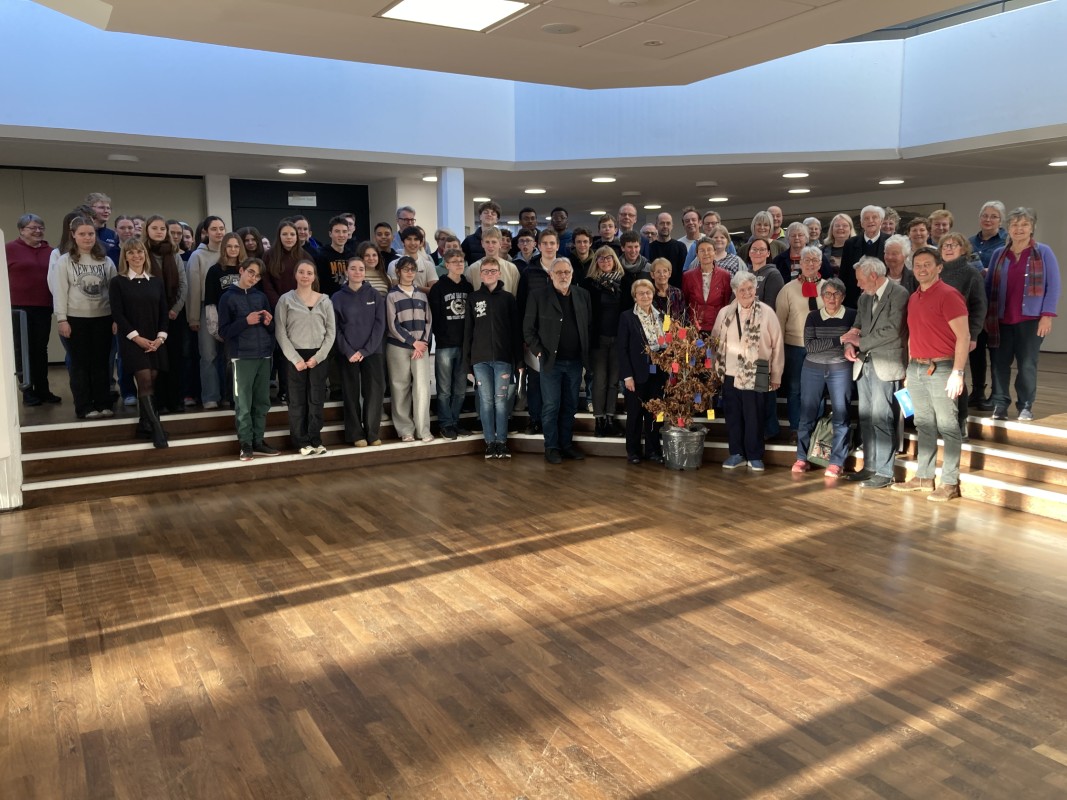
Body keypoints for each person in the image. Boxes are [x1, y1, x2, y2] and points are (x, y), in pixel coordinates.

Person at [889, 247, 969, 501]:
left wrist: (958, 372)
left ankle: (950, 482)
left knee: (948, 425)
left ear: (939, 267)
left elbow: (964, 336)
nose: (922, 269)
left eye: (927, 264)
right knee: (923, 424)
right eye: (918, 265)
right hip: (917, 368)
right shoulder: (914, 298)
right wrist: (909, 370)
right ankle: (924, 477)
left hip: (942, 368)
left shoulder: (949, 295)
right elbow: (912, 335)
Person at [984, 207, 1061, 422]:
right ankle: (1000, 404)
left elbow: (1053, 286)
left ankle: (1025, 405)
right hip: (1000, 320)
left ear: (1032, 227)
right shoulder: (999, 254)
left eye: (1025, 224)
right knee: (999, 364)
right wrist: (986, 316)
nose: (1019, 229)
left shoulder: (1044, 252)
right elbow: (988, 286)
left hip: (1031, 320)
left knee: (1027, 365)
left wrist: (1047, 315)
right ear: (1008, 228)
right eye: (1015, 225)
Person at [841, 256, 909, 488]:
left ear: (873, 276)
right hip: (863, 365)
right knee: (866, 419)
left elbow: (893, 330)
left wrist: (861, 343)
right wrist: (849, 344)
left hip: (886, 365)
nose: (858, 284)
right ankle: (869, 467)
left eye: (860, 279)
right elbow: (857, 326)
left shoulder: (899, 294)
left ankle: (885, 472)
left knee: (883, 418)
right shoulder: (864, 298)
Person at [710, 271, 784, 472]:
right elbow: (715, 342)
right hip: (730, 371)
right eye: (742, 289)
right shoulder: (724, 312)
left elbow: (777, 345)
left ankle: (755, 455)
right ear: (735, 291)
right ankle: (736, 453)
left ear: (755, 288)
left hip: (758, 371)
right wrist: (714, 369)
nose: (746, 292)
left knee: (755, 415)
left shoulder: (767, 312)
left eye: (750, 288)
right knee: (733, 415)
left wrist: (776, 374)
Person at [523, 258, 591, 464]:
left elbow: (588, 325)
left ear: (572, 274)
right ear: (550, 275)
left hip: (575, 362)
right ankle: (551, 447)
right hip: (551, 362)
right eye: (559, 272)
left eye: (567, 272)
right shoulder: (538, 296)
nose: (563, 276)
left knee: (570, 406)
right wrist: (538, 352)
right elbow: (528, 329)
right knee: (551, 406)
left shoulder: (582, 295)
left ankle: (566, 445)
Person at [790, 278, 857, 478]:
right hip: (812, 369)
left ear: (843, 296)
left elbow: (854, 340)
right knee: (807, 414)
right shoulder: (813, 316)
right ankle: (802, 458)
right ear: (822, 297)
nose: (832, 298)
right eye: (827, 294)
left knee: (841, 415)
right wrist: (840, 339)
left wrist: (845, 342)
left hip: (841, 369)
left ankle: (836, 462)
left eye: (836, 294)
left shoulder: (852, 315)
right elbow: (810, 347)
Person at [53, 216, 117, 419]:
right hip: (76, 319)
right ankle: (84, 406)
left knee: (101, 363)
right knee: (80, 364)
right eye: (82, 234)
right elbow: (60, 291)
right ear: (73, 235)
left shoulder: (105, 260)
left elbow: (114, 291)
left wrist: (116, 318)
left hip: (103, 318)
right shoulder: (64, 261)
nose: (87, 237)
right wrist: (62, 319)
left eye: (91, 233)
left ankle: (103, 403)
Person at [108, 239, 170, 448]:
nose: (136, 256)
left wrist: (160, 338)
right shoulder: (118, 282)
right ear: (125, 257)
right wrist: (137, 338)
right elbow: (118, 314)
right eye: (131, 252)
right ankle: (157, 429)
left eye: (140, 252)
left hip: (155, 340)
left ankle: (144, 425)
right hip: (132, 340)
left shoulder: (156, 281)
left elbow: (164, 312)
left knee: (152, 379)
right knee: (144, 380)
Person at [218, 258, 278, 461]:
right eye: (251, 272)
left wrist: (269, 323)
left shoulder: (261, 296)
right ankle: (246, 444)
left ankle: (258, 441)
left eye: (258, 276)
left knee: (262, 402)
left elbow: (271, 328)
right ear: (241, 270)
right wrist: (245, 321)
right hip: (242, 357)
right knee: (243, 404)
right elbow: (223, 332)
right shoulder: (227, 298)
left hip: (264, 355)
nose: (254, 278)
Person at [464, 256, 523, 458]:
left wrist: (519, 360)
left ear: (499, 273)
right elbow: (468, 332)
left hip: (503, 359)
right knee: (486, 402)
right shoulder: (473, 298)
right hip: (479, 360)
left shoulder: (508, 299)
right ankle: (490, 442)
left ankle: (502, 442)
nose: (489, 274)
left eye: (493, 271)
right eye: (486, 271)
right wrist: (467, 364)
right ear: (480, 274)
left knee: (501, 402)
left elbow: (516, 332)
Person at [275, 259, 335, 455]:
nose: (305, 276)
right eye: (301, 272)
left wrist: (319, 357)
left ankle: (315, 439)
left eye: (309, 273)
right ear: (295, 275)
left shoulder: (325, 301)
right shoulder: (285, 300)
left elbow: (331, 332)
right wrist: (295, 359)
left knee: (316, 399)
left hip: (318, 356)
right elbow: (280, 332)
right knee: (297, 400)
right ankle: (301, 442)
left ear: (314, 276)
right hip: (295, 356)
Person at [7, 213, 61, 406]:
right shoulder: (9, 249)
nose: (38, 231)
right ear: (21, 230)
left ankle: (43, 389)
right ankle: (27, 390)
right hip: (18, 308)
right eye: (32, 228)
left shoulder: (51, 252)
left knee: (40, 349)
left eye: (40, 228)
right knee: (23, 349)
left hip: (43, 306)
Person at [333, 256, 386, 448]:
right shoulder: (337, 298)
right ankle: (356, 434)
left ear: (365, 272)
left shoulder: (375, 295)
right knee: (351, 393)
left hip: (372, 351)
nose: (357, 272)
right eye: (353, 268)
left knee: (374, 392)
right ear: (346, 271)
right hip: (348, 354)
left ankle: (372, 433)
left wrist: (365, 350)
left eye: (361, 269)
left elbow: (380, 325)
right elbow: (335, 328)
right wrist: (348, 351)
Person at [938, 232, 988, 436]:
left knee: (956, 378)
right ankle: (941, 422)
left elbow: (979, 307)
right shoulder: (935, 270)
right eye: (945, 245)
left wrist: (973, 335)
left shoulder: (971, 273)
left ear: (963, 249)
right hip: (934, 334)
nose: (948, 248)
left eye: (953, 245)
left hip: (959, 335)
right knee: (937, 379)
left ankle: (960, 422)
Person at [775, 246, 826, 435]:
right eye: (807, 260)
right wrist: (778, 349)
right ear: (800, 263)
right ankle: (796, 428)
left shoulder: (829, 288)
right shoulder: (787, 289)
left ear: (820, 264)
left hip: (820, 347)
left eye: (815, 260)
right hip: (794, 346)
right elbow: (780, 320)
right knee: (795, 388)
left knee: (818, 389)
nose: (810, 264)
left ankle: (817, 429)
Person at [385, 256, 434, 443]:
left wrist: (422, 343)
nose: (409, 273)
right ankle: (405, 429)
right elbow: (392, 324)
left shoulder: (422, 295)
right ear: (398, 271)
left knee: (422, 388)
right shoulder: (392, 295)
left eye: (412, 269)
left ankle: (423, 430)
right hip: (398, 347)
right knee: (400, 387)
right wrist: (413, 342)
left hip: (420, 348)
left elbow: (429, 321)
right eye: (405, 269)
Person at [617, 278, 666, 464]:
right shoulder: (627, 317)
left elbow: (668, 343)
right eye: (641, 293)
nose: (645, 296)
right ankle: (633, 451)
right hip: (636, 374)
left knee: (655, 413)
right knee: (635, 414)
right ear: (634, 297)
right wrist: (627, 376)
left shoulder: (662, 316)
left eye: (648, 292)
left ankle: (653, 451)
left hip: (658, 373)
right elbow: (622, 349)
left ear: (653, 294)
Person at [427, 248, 473, 439]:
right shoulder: (438, 288)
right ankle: (445, 423)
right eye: (454, 261)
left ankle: (455, 421)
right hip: (445, 344)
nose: (459, 264)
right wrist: (442, 337)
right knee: (444, 388)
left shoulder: (468, 287)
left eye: (461, 261)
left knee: (460, 389)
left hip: (464, 344)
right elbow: (435, 317)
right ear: (446, 265)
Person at [143, 215, 187, 415]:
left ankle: (175, 400)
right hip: (151, 317)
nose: (159, 232)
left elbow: (183, 284)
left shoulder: (174, 253)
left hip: (173, 315)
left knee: (175, 359)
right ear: (147, 230)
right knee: (157, 360)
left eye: (162, 229)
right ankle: (159, 401)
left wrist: (175, 309)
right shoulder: (142, 252)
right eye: (155, 228)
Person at [583, 246, 628, 437]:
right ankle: (599, 421)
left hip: (618, 339)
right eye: (601, 258)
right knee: (599, 381)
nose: (605, 261)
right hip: (598, 341)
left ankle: (610, 419)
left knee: (613, 382)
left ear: (614, 259)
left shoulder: (624, 281)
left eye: (609, 258)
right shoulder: (589, 284)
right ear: (596, 262)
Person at [968, 200, 1007, 409]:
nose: (988, 220)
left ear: (1001, 221)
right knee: (975, 350)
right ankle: (977, 392)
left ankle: (997, 394)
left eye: (993, 216)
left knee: (997, 352)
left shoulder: (1007, 242)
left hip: (996, 304)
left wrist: (986, 272)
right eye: (985, 215)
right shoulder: (969, 242)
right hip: (974, 304)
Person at [201, 232, 246, 409]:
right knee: (220, 359)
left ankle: (235, 397)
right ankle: (220, 396)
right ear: (223, 248)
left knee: (236, 361)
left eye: (236, 246)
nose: (233, 249)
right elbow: (210, 300)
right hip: (222, 322)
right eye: (229, 246)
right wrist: (215, 327)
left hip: (243, 323)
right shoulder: (215, 270)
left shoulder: (246, 269)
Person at [840, 205, 887, 307]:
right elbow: (844, 274)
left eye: (874, 217)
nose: (871, 221)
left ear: (881, 221)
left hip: (883, 300)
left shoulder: (890, 242)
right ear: (862, 223)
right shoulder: (850, 244)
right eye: (866, 218)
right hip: (854, 300)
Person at [682, 237, 732, 336]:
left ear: (715, 252)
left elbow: (726, 303)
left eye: (709, 250)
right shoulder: (688, 276)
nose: (706, 253)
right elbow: (685, 302)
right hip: (694, 328)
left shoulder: (725, 275)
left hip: (717, 327)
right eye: (702, 250)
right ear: (697, 254)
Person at [466, 227, 520, 294]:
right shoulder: (472, 269)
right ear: (482, 243)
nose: (490, 245)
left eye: (494, 242)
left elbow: (514, 296)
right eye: (487, 242)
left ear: (500, 243)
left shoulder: (512, 269)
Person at [648, 212, 688, 288]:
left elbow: (683, 273)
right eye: (662, 223)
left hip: (677, 291)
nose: (665, 226)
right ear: (656, 226)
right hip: (653, 291)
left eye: (668, 223)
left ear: (672, 226)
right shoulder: (649, 248)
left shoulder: (681, 247)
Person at [746, 237, 784, 310]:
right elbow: (733, 301)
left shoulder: (773, 275)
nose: (758, 253)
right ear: (749, 253)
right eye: (754, 249)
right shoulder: (744, 275)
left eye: (762, 250)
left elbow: (770, 307)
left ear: (768, 253)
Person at [650, 257, 685, 322]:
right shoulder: (649, 294)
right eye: (658, 272)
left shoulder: (677, 292)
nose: (662, 274)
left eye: (665, 271)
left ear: (669, 273)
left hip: (676, 327)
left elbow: (683, 316)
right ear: (652, 275)